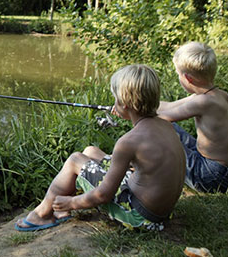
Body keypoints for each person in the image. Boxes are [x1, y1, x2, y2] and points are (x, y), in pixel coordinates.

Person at [15, 64, 186, 232]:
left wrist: (72, 203)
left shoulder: (128, 142)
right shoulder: (166, 125)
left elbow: (103, 195)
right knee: (91, 152)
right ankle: (61, 208)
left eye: (115, 99)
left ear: (124, 104)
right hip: (160, 213)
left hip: (140, 218)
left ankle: (43, 213)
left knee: (75, 159)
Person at [157, 42, 228, 192]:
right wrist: (139, 102)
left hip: (210, 177)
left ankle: (141, 166)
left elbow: (161, 118)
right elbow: (170, 106)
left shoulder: (203, 102)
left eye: (178, 74)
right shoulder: (218, 95)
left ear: (187, 78)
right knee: (168, 128)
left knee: (158, 127)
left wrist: (131, 112)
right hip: (223, 172)